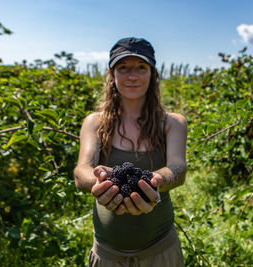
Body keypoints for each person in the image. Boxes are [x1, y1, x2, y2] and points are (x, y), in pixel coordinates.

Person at [73, 37, 187, 266]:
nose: (132, 76)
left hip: (160, 249)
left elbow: (178, 168)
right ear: (111, 74)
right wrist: (100, 182)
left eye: (141, 68)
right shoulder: (95, 123)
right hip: (107, 253)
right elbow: (82, 170)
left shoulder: (172, 123)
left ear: (153, 73)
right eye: (123, 68)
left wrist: (156, 180)